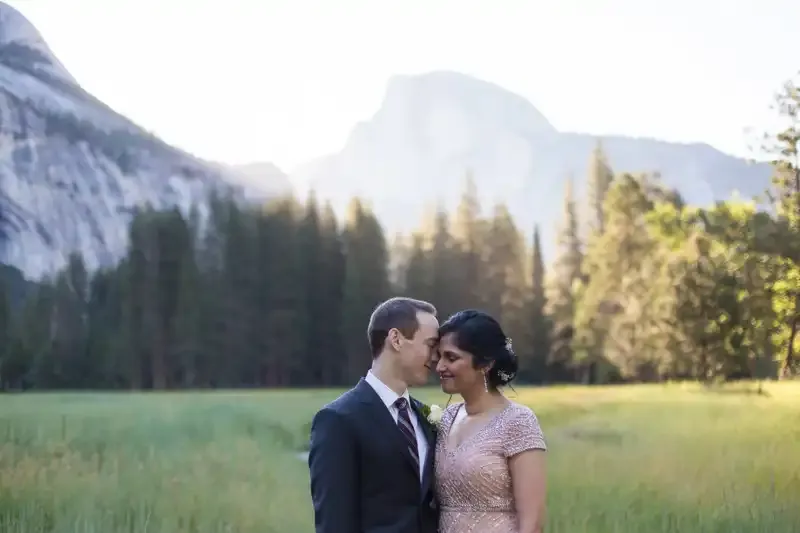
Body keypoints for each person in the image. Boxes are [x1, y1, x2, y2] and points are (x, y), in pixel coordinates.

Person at [308, 297, 441, 533]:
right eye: (430, 345)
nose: (435, 358)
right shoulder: (338, 420)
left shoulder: (424, 417)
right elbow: (334, 522)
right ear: (396, 339)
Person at [433, 309, 547, 533]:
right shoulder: (446, 419)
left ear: (486, 364)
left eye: (451, 358)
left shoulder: (518, 422)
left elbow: (532, 523)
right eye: (439, 357)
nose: (439, 367)